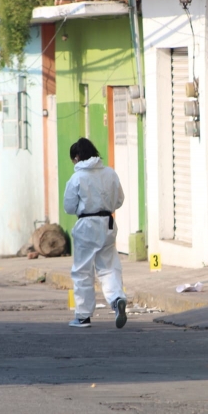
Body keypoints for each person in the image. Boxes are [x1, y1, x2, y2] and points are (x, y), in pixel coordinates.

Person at [63, 137, 127, 328]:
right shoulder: (110, 173)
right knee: (108, 266)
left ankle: (83, 316)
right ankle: (117, 300)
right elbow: (119, 200)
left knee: (82, 270)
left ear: (76, 157)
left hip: (86, 224)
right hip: (107, 222)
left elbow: (69, 207)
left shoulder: (77, 178)